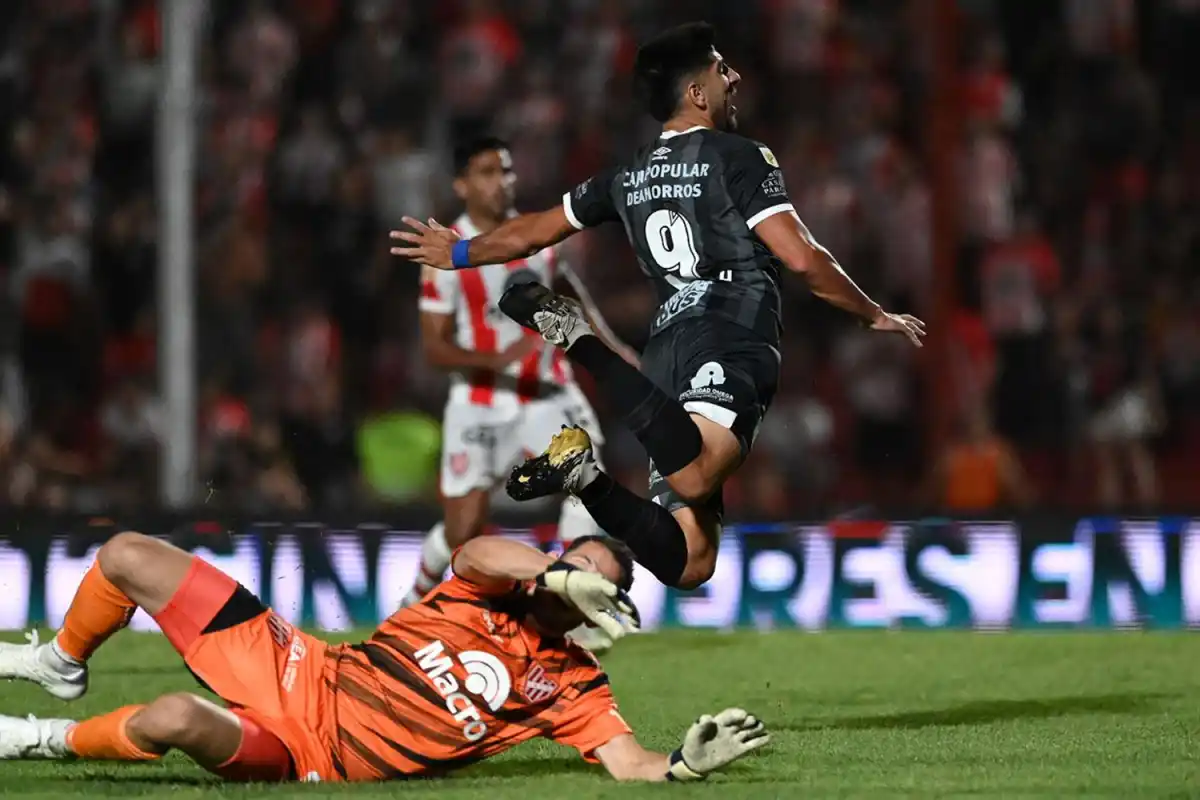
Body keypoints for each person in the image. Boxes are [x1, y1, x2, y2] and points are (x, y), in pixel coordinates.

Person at [391, 22, 925, 590]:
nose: (734, 77)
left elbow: (534, 231)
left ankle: (584, 477)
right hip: (730, 328)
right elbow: (801, 257)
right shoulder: (740, 157)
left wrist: (463, 251)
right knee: (695, 476)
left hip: (666, 352)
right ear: (697, 93)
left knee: (690, 561)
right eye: (722, 69)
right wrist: (871, 313)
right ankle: (582, 342)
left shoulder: (627, 175)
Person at [0, 531, 767, 783]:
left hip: (313, 750)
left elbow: (626, 761)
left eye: (598, 577)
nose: (578, 577)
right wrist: (557, 570)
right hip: (297, 662)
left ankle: (39, 738)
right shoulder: (487, 586)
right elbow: (476, 548)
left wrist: (681, 767)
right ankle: (64, 663)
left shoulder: (570, 681)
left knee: (172, 716)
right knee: (128, 554)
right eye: (575, 561)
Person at [410, 137, 635, 654]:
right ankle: (413, 604)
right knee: (461, 528)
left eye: (507, 171)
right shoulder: (445, 252)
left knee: (587, 478)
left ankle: (568, 606)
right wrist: (500, 360)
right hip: (481, 401)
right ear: (461, 185)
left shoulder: (538, 235)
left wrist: (616, 347)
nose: (502, 182)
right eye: (487, 172)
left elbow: (571, 292)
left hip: (548, 394)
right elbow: (436, 350)